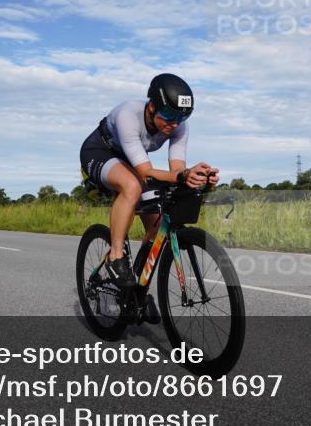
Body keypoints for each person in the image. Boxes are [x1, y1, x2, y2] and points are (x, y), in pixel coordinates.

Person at [79, 73, 219, 300]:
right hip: (100, 152)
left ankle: (135, 291)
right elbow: (145, 172)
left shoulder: (178, 127)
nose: (174, 124)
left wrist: (196, 177)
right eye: (169, 115)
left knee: (156, 226)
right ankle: (115, 256)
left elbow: (176, 172)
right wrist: (183, 176)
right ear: (152, 107)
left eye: (181, 118)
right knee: (132, 187)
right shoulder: (128, 115)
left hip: (132, 160)